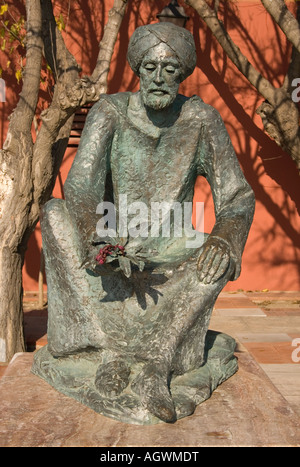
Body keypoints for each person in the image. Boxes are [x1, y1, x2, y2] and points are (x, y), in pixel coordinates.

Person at [38, 22, 255, 423]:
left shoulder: (202, 120)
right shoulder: (109, 112)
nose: (158, 78)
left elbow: (237, 196)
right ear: (137, 68)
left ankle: (158, 365)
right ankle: (105, 349)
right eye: (150, 67)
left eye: (170, 68)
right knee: (53, 214)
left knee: (218, 254)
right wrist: (97, 235)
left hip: (174, 253)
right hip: (113, 248)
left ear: (183, 73)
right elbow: (82, 185)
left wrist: (225, 238)